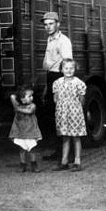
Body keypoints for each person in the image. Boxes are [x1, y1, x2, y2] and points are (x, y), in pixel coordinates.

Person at [41, 11, 73, 161]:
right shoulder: (50, 39)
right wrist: (48, 87)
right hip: (51, 77)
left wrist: (63, 86)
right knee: (54, 116)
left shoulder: (63, 41)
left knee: (62, 116)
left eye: (51, 24)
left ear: (58, 24)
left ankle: (68, 154)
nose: (48, 27)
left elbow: (67, 65)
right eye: (46, 24)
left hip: (60, 77)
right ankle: (59, 151)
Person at [52, 58, 87, 172]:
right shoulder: (57, 83)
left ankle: (77, 162)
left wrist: (74, 107)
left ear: (75, 69)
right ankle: (64, 161)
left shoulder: (79, 83)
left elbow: (82, 100)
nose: (69, 70)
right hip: (62, 113)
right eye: (66, 68)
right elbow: (55, 99)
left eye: (71, 68)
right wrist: (63, 107)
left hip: (75, 113)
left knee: (76, 137)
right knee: (65, 137)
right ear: (61, 69)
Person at [8, 84, 43, 173]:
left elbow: (29, 111)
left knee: (31, 148)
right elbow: (12, 96)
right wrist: (19, 99)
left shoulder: (32, 106)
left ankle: (33, 163)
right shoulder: (18, 104)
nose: (32, 98)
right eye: (29, 96)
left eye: (32, 96)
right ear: (22, 98)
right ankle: (22, 164)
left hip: (30, 130)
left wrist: (17, 108)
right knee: (22, 148)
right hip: (20, 130)